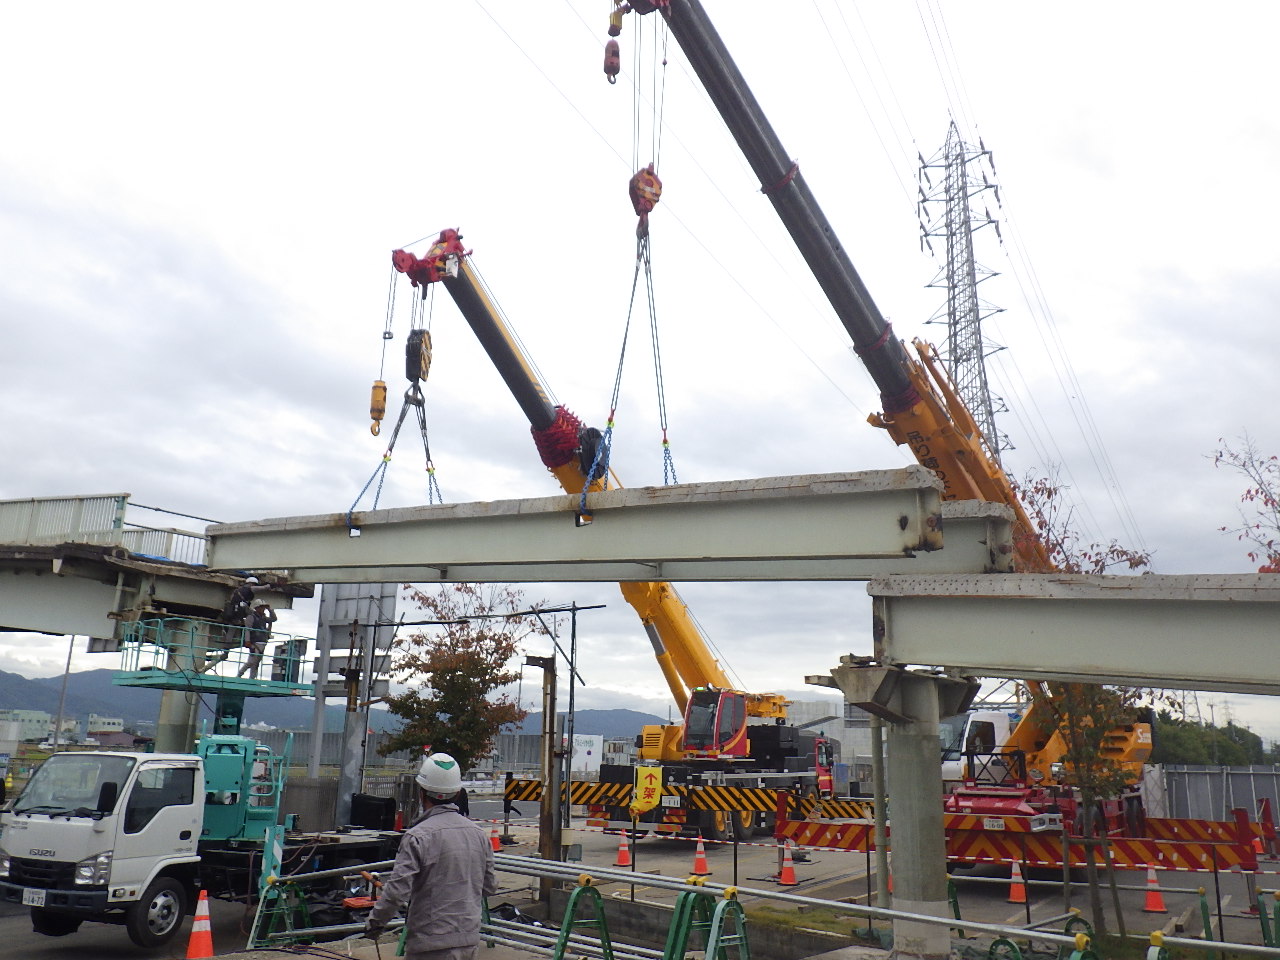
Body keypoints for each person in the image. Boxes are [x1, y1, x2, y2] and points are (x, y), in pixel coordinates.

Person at [365, 753, 497, 960]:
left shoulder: (417, 836)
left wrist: (375, 924)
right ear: (458, 792)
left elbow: (397, 891)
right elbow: (489, 886)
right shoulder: (478, 834)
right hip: (468, 940)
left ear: (422, 793)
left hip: (429, 944)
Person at [236, 602, 276, 678]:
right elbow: (247, 629)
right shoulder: (251, 617)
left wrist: (270, 610)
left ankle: (252, 679)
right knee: (251, 662)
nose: (263, 609)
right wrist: (247, 641)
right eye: (261, 607)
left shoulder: (263, 617)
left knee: (256, 663)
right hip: (255, 642)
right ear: (256, 608)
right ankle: (239, 675)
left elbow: (274, 619)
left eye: (263, 607)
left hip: (262, 642)